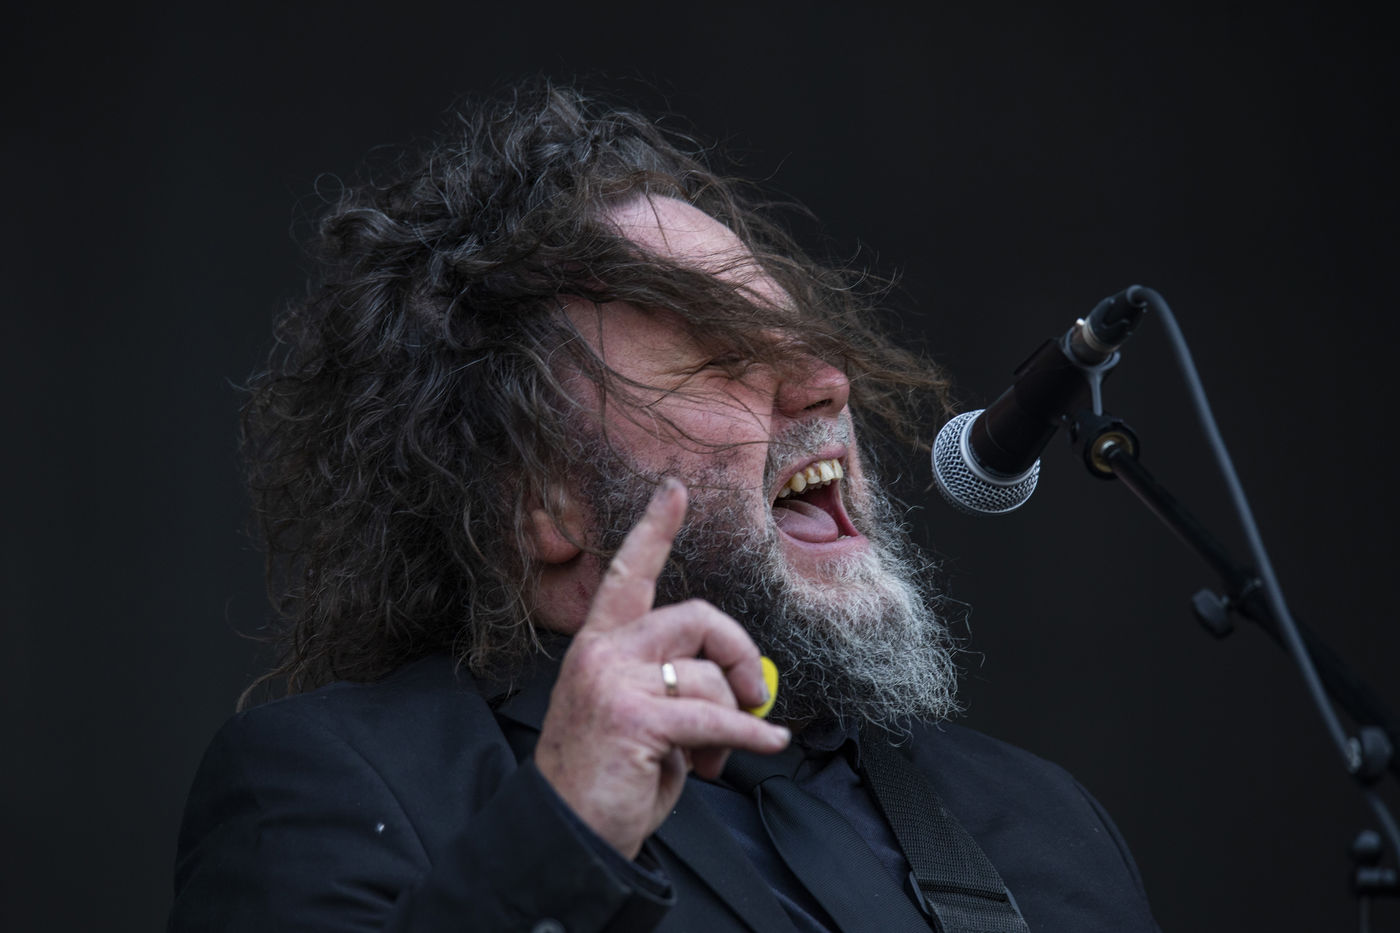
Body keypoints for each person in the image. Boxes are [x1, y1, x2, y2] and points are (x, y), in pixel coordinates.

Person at [169, 80, 1161, 932]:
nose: (827, 385)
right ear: (543, 499)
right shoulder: (337, 781)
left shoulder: (1036, 820)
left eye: (808, 346)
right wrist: (557, 838)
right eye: (722, 359)